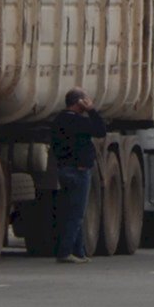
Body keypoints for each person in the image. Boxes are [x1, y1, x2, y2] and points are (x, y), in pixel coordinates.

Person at [50, 87, 106, 264]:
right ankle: (65, 252)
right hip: (79, 171)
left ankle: (79, 252)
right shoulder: (78, 122)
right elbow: (100, 131)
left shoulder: (59, 119)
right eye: (85, 100)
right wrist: (91, 110)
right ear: (78, 103)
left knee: (71, 211)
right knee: (76, 214)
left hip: (63, 169)